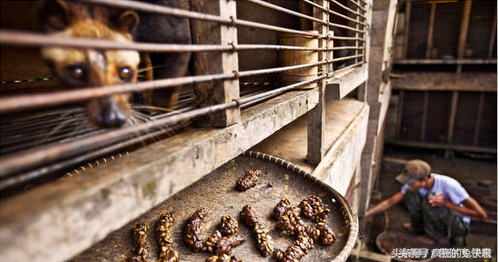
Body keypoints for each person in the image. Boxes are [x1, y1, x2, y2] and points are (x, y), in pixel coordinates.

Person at [365, 159, 487, 245]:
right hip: (437, 216)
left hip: (458, 225)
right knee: (411, 194)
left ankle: (438, 238)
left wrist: (446, 203)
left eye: (411, 181)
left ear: (424, 180)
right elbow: (390, 202)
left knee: (432, 199)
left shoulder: (449, 185)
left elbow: (481, 215)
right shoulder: (412, 186)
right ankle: (419, 227)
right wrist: (366, 214)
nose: (408, 184)